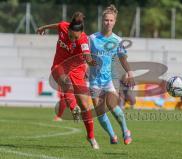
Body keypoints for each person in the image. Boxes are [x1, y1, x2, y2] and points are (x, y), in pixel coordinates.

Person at [37, 12, 99, 149]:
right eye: (70, 35)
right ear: (68, 30)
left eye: (74, 37)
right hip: (59, 66)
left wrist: (90, 62)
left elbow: (87, 54)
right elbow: (57, 25)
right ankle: (73, 108)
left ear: (81, 33)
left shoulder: (83, 40)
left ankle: (91, 136)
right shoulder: (63, 26)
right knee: (65, 82)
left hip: (77, 69)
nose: (71, 39)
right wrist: (43, 28)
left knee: (85, 105)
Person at [89, 4, 134, 145]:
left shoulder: (117, 40)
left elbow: (122, 58)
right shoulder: (92, 38)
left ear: (115, 22)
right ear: (102, 21)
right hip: (94, 81)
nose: (108, 23)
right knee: (100, 112)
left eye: (111, 20)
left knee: (114, 107)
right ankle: (112, 135)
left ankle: (125, 131)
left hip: (109, 80)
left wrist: (129, 72)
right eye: (106, 20)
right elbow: (84, 56)